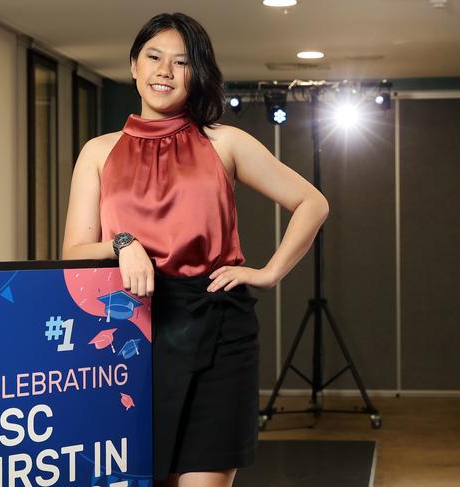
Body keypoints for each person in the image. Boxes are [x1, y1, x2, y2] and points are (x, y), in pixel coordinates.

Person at [62, 12, 329, 487]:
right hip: (135, 331)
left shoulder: (225, 142)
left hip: (218, 327)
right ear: (133, 66)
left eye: (181, 62)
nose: (165, 70)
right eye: (154, 57)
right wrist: (124, 243)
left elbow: (312, 202)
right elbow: (74, 254)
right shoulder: (98, 152)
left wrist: (269, 273)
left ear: (197, 74)